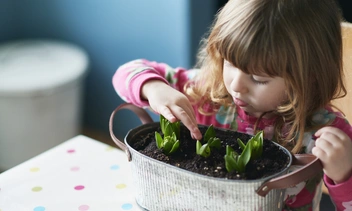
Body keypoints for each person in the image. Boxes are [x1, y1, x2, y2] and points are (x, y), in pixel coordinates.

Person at [113, 0, 352, 210]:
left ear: (309, 76)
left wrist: (344, 175)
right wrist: (153, 88)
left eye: (259, 79)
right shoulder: (207, 92)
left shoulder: (327, 133)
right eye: (229, 63)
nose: (236, 85)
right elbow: (126, 71)